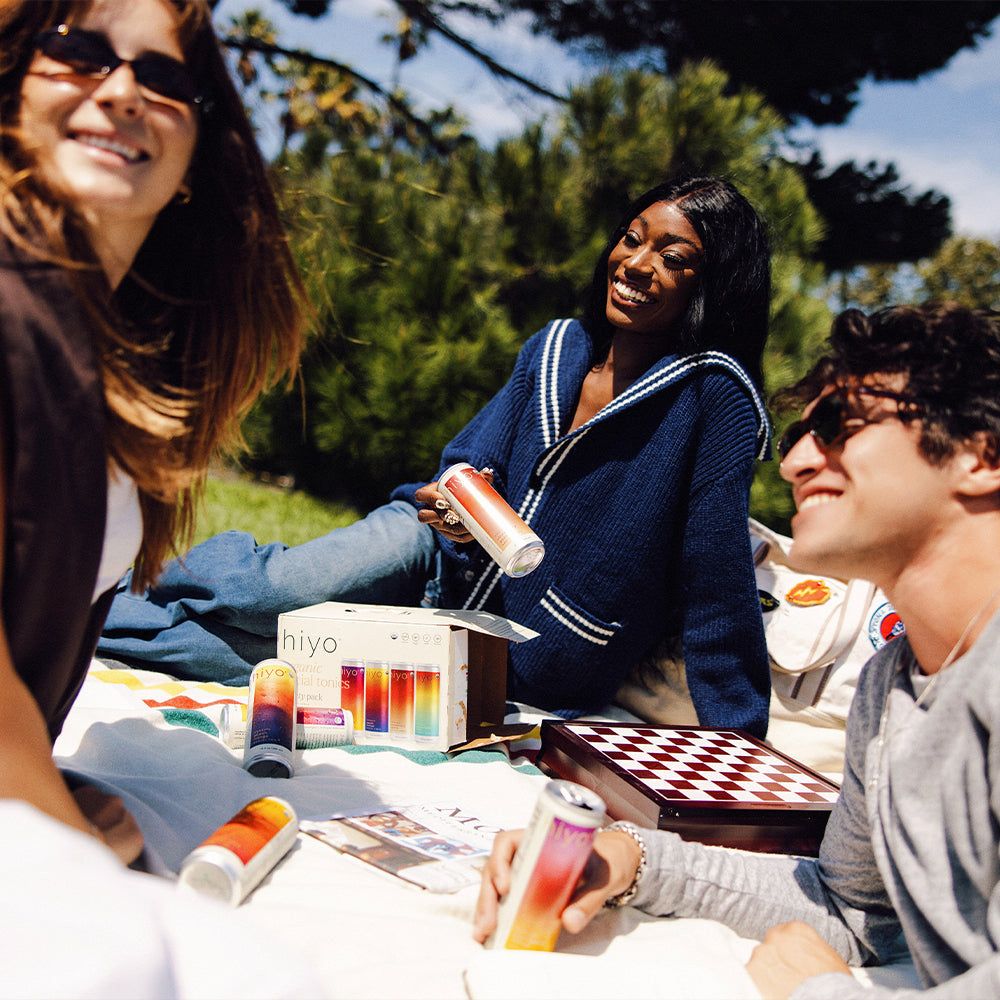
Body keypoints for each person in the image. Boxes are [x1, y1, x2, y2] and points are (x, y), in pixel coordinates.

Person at [99, 175, 773, 735]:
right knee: (270, 591)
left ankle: (75, 616)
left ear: (709, 287)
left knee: (235, 656)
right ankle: (108, 573)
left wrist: (740, 744)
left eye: (673, 258)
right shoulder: (554, 348)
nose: (636, 264)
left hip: (508, 652)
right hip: (428, 548)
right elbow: (464, 461)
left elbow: (715, 579)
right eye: (632, 239)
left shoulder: (712, 400)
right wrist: (450, 499)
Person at [474, 302, 1000, 999]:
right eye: (797, 435)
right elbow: (849, 911)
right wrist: (629, 859)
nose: (795, 463)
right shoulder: (893, 688)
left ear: (981, 455)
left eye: (837, 426)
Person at [0, 0, 304, 864]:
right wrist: (81, 872)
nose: (124, 91)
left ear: (196, 163)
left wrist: (41, 784)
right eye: (78, 52)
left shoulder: (97, 348)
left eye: (165, 77)